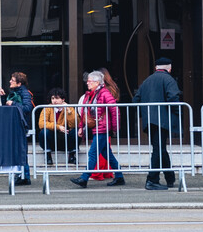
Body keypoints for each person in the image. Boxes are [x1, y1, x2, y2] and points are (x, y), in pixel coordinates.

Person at [133, 56, 185, 190]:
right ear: (170, 68)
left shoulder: (147, 80)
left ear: (156, 68)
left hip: (150, 121)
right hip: (162, 120)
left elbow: (136, 99)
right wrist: (178, 114)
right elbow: (173, 97)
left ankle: (169, 178)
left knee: (160, 148)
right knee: (158, 149)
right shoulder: (169, 79)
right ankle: (152, 180)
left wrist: (143, 114)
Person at [70, 70, 124, 187]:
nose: (87, 83)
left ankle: (84, 178)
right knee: (107, 155)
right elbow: (85, 113)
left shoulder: (104, 93)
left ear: (97, 82)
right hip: (99, 128)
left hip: (103, 128)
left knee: (93, 153)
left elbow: (114, 110)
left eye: (89, 81)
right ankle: (119, 177)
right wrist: (81, 127)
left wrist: (114, 127)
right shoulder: (93, 94)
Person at [1, 71, 35, 186]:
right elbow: (8, 108)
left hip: (21, 125)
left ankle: (24, 176)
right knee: (18, 151)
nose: (10, 81)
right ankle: (22, 175)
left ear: (19, 83)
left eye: (12, 80)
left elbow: (27, 108)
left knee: (21, 151)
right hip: (15, 124)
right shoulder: (15, 92)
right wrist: (3, 98)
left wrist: (13, 103)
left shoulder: (25, 93)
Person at [36, 87, 78, 165]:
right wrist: (58, 127)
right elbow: (41, 124)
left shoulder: (69, 108)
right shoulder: (47, 109)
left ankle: (72, 156)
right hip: (52, 139)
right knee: (44, 131)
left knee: (75, 131)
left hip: (65, 139)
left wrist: (69, 111)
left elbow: (74, 124)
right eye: (53, 98)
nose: (54, 101)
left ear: (63, 99)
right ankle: (48, 156)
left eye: (57, 98)